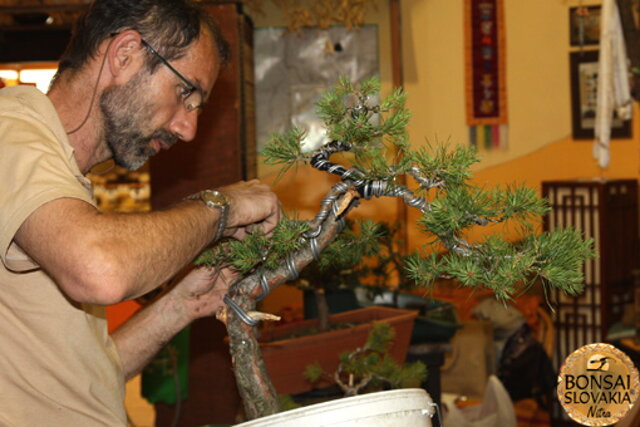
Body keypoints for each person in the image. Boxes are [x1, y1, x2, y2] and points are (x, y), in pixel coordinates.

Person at [0, 0, 280, 425]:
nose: (189, 130)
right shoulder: (11, 133)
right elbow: (101, 270)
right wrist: (222, 206)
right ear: (125, 53)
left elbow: (84, 379)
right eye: (186, 93)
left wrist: (182, 304)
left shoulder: (61, 178)